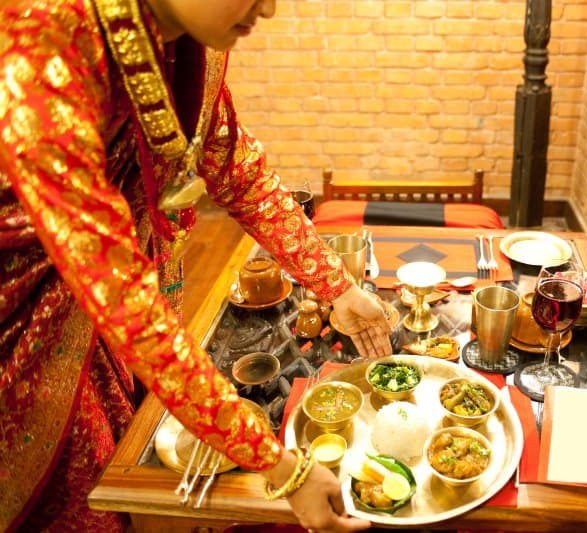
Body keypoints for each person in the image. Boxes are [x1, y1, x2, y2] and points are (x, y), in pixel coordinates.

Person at [0, 0, 389, 531]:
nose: (269, 9)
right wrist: (283, 468)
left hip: (112, 296)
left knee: (124, 463)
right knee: (81, 497)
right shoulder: (45, 38)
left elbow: (236, 170)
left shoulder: (178, 45)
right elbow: (124, 301)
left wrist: (337, 287)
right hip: (30, 323)